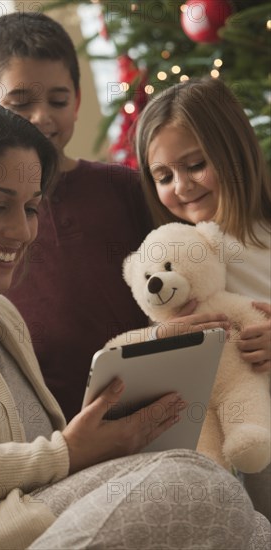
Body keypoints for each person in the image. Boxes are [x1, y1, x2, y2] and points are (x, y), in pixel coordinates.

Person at [0, 98, 270, 550]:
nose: (21, 231)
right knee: (200, 485)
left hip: (39, 520)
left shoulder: (0, 316)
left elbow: (46, 465)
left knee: (245, 520)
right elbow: (49, 460)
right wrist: (64, 452)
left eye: (31, 208)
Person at [0, 12, 227, 421]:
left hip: (156, 409)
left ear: (78, 101)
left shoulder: (126, 188)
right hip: (48, 434)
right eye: (19, 104)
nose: (41, 117)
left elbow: (198, 277)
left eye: (57, 100)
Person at [135, 76, 271, 520]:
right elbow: (169, 336)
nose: (181, 186)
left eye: (195, 165)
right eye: (163, 176)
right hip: (242, 432)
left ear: (233, 150)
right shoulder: (177, 254)